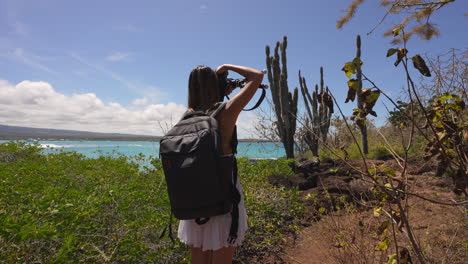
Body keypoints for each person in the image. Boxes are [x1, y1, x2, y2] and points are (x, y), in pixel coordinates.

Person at [177, 64, 264, 264]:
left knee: (199, 258)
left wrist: (220, 90)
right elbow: (257, 76)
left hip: (194, 199)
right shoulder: (225, 112)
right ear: (215, 85)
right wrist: (225, 67)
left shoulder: (187, 117)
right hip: (223, 198)